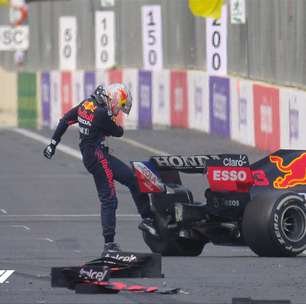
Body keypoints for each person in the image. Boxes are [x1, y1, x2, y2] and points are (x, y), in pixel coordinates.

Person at [43, 83, 157, 253]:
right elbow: (119, 132)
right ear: (110, 99)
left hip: (96, 153)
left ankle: (147, 217)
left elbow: (65, 120)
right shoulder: (102, 113)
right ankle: (109, 244)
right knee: (109, 198)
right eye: (118, 105)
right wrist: (112, 116)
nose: (118, 109)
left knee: (133, 179)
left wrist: (53, 144)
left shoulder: (86, 104)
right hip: (96, 157)